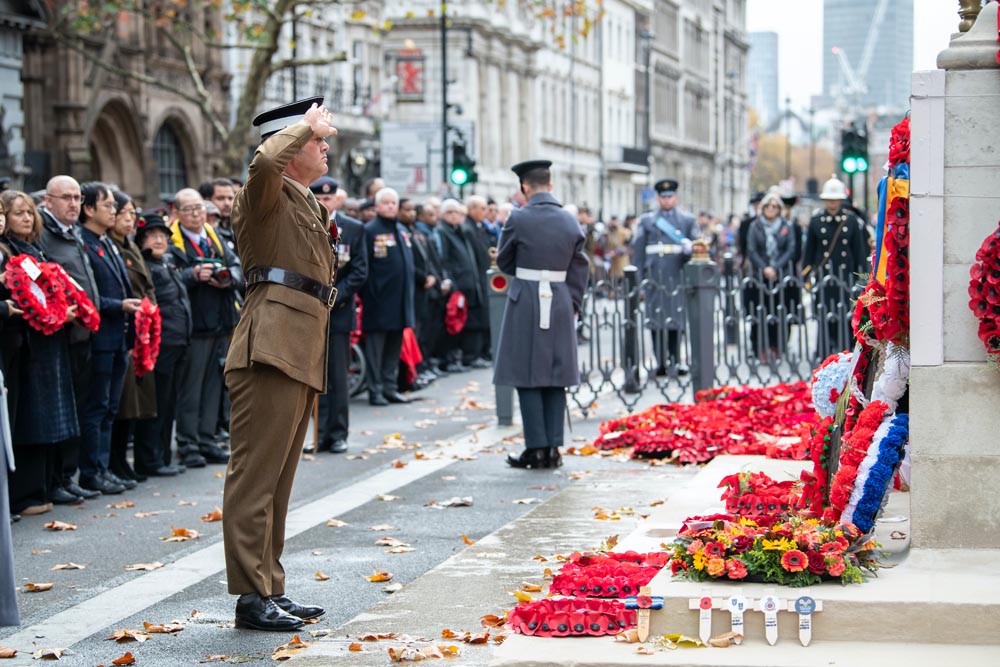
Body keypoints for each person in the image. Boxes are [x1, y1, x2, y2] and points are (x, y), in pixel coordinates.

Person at [223, 97, 334, 631]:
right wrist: (301, 125)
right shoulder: (262, 192)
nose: (325, 146)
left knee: (279, 482)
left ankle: (268, 585)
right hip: (269, 347)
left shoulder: (305, 201)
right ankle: (250, 595)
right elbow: (265, 163)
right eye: (317, 140)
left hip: (298, 348)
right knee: (255, 480)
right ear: (289, 146)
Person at [493, 160, 589, 469]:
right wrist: (573, 301)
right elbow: (580, 266)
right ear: (550, 186)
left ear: (524, 187)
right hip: (560, 298)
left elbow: (505, 260)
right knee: (555, 375)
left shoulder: (518, 218)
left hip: (527, 297)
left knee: (528, 375)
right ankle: (554, 448)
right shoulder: (570, 220)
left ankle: (536, 447)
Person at [2, 190, 80, 512]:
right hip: (25, 342)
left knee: (50, 415)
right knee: (29, 416)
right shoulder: (8, 252)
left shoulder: (37, 250)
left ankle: (47, 484)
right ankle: (26, 492)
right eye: (18, 212)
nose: (25, 218)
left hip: (49, 340)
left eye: (29, 213)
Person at [37, 176, 101, 503]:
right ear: (48, 201)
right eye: (66, 197)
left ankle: (67, 475)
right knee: (62, 410)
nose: (74, 203)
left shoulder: (73, 233)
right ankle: (55, 480)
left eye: (77, 197)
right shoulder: (44, 235)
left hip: (84, 333)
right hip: (61, 334)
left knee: (79, 407)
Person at [77, 182, 143, 495]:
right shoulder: (84, 243)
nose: (113, 211)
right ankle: (91, 471)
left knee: (109, 407)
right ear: (88, 209)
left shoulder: (107, 242)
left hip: (119, 336)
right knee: (97, 405)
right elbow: (88, 295)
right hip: (101, 336)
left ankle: (103, 469)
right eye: (107, 205)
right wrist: (120, 305)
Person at [169, 187, 243, 468]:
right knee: (192, 387)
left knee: (214, 385)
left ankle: (207, 437)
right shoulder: (173, 242)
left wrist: (227, 278)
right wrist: (193, 274)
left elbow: (236, 266)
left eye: (200, 208)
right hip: (195, 325)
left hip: (221, 321)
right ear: (176, 213)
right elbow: (170, 275)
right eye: (188, 209)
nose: (196, 214)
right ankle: (188, 442)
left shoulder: (214, 236)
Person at [311, 178, 368, 455]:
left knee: (337, 376)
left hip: (338, 311)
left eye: (328, 199)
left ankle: (338, 433)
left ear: (336, 200)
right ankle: (318, 434)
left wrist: (336, 296)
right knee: (313, 377)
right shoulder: (303, 225)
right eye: (319, 200)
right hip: (309, 311)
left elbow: (359, 271)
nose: (324, 203)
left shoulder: (354, 229)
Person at [131, 213, 189, 477]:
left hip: (178, 340)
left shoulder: (167, 262)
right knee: (155, 403)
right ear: (141, 239)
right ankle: (150, 459)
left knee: (169, 403)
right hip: (159, 344)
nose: (158, 240)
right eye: (152, 236)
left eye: (162, 235)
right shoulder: (145, 265)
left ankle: (163, 455)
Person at [108, 191, 157, 484]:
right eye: (124, 213)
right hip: (127, 328)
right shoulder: (113, 247)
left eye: (132, 213)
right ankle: (113, 463)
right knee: (120, 402)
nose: (130, 219)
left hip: (144, 329)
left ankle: (120, 465)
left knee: (133, 403)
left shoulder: (129, 246)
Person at [630, 178, 698, 376]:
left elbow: (697, 248)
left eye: (670, 197)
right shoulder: (647, 220)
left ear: (675, 198)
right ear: (658, 198)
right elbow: (639, 252)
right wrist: (640, 280)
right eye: (663, 197)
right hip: (655, 277)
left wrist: (689, 248)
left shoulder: (687, 221)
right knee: (655, 320)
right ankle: (659, 362)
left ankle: (675, 360)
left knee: (676, 320)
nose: (666, 200)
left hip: (676, 276)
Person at [803, 175, 870, 357]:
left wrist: (861, 279)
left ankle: (846, 350)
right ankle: (824, 351)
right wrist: (806, 277)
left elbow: (859, 252)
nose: (832, 203)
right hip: (824, 277)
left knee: (846, 316)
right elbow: (809, 253)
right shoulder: (816, 222)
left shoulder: (851, 221)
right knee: (824, 315)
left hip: (845, 276)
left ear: (841, 200)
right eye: (829, 200)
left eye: (835, 199)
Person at [360, 187, 415, 406]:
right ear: (377, 206)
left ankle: (390, 387)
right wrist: (370, 295)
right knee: (376, 350)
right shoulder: (370, 231)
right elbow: (364, 267)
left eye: (394, 203)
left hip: (400, 300)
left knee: (394, 347)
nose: (391, 206)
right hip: (379, 301)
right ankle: (376, 390)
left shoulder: (401, 230)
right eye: (387, 203)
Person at [745, 191, 799, 359]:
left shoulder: (786, 226)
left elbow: (791, 248)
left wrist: (775, 267)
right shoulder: (755, 226)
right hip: (759, 275)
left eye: (774, 206)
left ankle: (778, 346)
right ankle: (759, 346)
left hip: (781, 275)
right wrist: (765, 268)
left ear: (780, 209)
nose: (770, 209)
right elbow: (751, 249)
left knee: (780, 311)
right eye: (767, 205)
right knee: (759, 311)